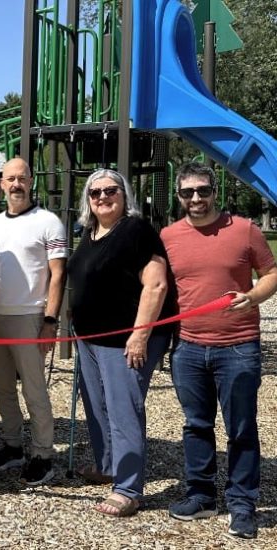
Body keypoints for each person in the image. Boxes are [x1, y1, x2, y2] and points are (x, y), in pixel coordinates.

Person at [162, 162, 277, 539]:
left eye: (203, 190)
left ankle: (242, 503)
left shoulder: (244, 229)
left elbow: (271, 273)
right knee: (196, 426)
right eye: (188, 192)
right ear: (179, 196)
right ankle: (201, 495)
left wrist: (254, 295)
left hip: (238, 347)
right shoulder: (168, 236)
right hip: (189, 347)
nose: (196, 198)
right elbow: (157, 286)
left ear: (215, 191)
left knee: (241, 428)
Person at [67, 169, 173, 517]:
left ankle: (128, 487)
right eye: (95, 193)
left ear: (124, 194)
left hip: (124, 340)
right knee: (97, 408)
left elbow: (156, 285)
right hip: (90, 339)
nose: (102, 197)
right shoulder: (91, 233)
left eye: (110, 190)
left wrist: (140, 334)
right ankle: (107, 465)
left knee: (123, 410)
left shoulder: (136, 231)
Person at [0, 157, 66, 485]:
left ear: (31, 181)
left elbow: (57, 274)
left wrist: (50, 319)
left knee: (34, 389)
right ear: (1, 184)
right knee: (2, 386)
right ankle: (13, 444)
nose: (16, 184)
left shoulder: (48, 222)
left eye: (22, 178)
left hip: (29, 315)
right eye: (10, 179)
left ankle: (43, 452)